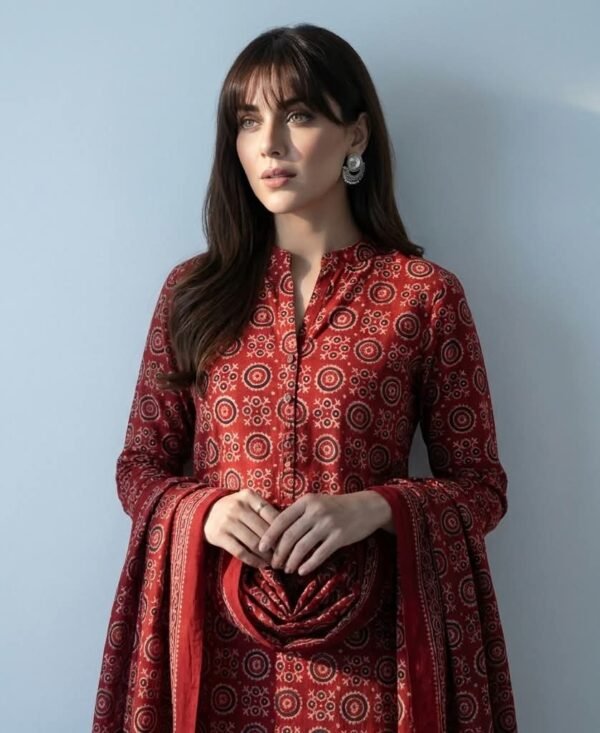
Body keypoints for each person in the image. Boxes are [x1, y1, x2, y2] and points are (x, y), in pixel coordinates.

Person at [92, 22, 517, 733]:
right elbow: (138, 468)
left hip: (377, 653)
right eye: (247, 120)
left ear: (356, 135)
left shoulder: (422, 296)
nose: (269, 144)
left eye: (298, 115)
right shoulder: (192, 293)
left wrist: (375, 507)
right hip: (216, 643)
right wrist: (205, 511)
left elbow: (482, 488)